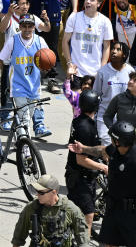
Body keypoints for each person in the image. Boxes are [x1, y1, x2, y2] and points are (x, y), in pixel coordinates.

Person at [70, 121, 136, 247]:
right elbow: (101, 151)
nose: (110, 140)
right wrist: (83, 148)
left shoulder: (134, 159)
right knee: (108, 244)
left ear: (117, 141)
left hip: (131, 215)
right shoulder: (116, 149)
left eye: (111, 138)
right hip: (113, 208)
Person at [65, 89, 106, 235]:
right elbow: (81, 159)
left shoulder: (80, 120)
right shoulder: (85, 127)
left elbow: (89, 148)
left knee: (79, 214)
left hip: (81, 177)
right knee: (88, 216)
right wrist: (103, 167)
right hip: (80, 178)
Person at [9, 174, 88, 247]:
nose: (37, 195)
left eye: (41, 192)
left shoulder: (70, 208)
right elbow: (19, 235)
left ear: (54, 192)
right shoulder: (31, 208)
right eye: (36, 191)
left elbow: (82, 235)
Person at [62, 0, 113, 78]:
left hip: (95, 72)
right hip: (76, 70)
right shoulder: (74, 18)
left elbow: (106, 47)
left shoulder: (105, 21)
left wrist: (102, 68)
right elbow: (65, 41)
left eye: (92, 0)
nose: (88, 2)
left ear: (98, 4)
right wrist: (69, 63)